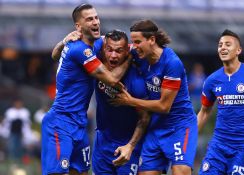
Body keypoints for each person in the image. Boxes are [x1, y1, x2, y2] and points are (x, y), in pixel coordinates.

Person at [41, 4, 129, 175]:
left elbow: (54, 55)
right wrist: (129, 59)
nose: (95, 22)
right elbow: (111, 79)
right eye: (89, 19)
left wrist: (62, 41)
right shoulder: (79, 49)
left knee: (81, 172)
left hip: (79, 125)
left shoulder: (91, 45)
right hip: (61, 123)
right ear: (78, 26)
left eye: (96, 17)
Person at [110, 19, 198, 175]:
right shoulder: (140, 55)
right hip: (156, 127)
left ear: (152, 40)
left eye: (138, 42)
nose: (134, 46)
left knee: (180, 172)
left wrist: (130, 101)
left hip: (178, 126)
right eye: (133, 42)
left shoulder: (172, 63)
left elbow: (164, 106)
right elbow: (112, 44)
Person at [197, 29, 244, 175]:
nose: (223, 48)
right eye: (220, 45)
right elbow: (204, 112)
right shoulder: (212, 80)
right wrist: (189, 138)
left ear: (238, 50)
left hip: (243, 147)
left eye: (227, 44)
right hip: (218, 145)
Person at [92, 29, 150, 175]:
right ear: (103, 49)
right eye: (109, 50)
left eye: (118, 51)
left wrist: (130, 146)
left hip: (127, 146)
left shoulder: (136, 83)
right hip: (102, 145)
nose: (113, 55)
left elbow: (145, 118)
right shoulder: (97, 66)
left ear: (126, 52)